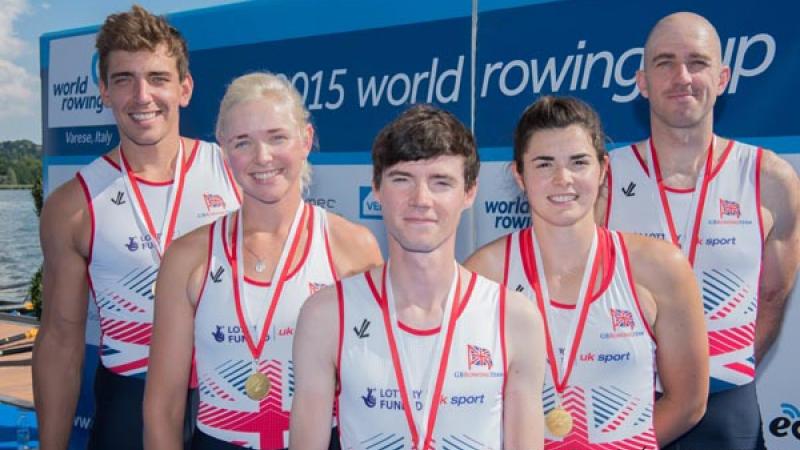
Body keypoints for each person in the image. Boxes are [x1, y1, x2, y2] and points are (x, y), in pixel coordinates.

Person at [32, 5, 241, 449]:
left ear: (185, 88)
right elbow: (60, 343)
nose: (142, 95)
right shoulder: (73, 205)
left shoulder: (236, 172)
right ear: (104, 91)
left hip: (227, 397)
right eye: (124, 79)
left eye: (158, 78)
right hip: (128, 401)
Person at [143, 72, 382, 450]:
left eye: (277, 137)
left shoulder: (352, 248)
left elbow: (376, 394)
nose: (263, 157)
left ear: (305, 140)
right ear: (224, 152)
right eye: (243, 142)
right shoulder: (188, 257)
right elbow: (163, 407)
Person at [288, 105, 546, 450]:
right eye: (402, 179)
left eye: (441, 182)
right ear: (376, 189)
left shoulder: (515, 318)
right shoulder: (326, 314)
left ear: (469, 193)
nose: (420, 200)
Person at [599, 12, 800, 449]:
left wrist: (717, 375)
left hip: (731, 412)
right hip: (630, 408)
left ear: (724, 76)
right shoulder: (603, 180)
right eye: (665, 62)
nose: (682, 76)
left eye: (698, 62)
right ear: (642, 81)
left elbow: (773, 296)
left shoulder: (771, 178)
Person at [466, 96, 708, 448]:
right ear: (519, 175)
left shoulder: (660, 268)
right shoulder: (484, 274)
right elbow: (471, 404)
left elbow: (688, 402)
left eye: (578, 162)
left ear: (603, 169)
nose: (563, 179)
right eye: (544, 164)